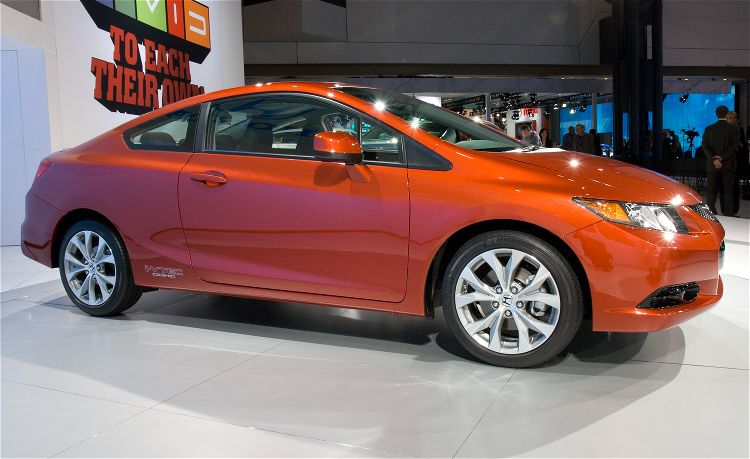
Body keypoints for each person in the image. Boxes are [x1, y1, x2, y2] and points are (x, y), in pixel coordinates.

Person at [702, 105, 741, 216]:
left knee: (711, 191)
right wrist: (721, 158)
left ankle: (711, 214)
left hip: (712, 165)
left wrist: (714, 159)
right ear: (727, 114)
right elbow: (733, 147)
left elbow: (705, 147)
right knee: (728, 191)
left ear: (716, 114)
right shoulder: (734, 129)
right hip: (728, 165)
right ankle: (728, 215)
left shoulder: (708, 129)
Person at [726, 111, 748, 214]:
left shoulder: (740, 130)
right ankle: (727, 210)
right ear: (727, 119)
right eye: (730, 118)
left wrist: (738, 144)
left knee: (735, 187)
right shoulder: (724, 129)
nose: (732, 120)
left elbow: (743, 146)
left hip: (736, 161)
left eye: (734, 118)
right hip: (725, 161)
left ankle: (734, 210)